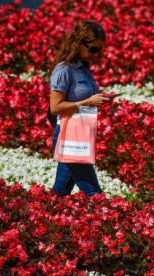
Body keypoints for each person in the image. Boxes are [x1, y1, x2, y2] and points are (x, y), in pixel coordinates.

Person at [49, 20, 112, 197]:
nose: (96, 53)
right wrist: (88, 102)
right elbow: (55, 107)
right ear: (78, 43)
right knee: (93, 191)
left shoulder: (83, 68)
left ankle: (41, 218)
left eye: (100, 49)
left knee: (60, 193)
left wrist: (99, 96)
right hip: (69, 135)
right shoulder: (64, 70)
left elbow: (81, 96)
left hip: (81, 133)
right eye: (92, 48)